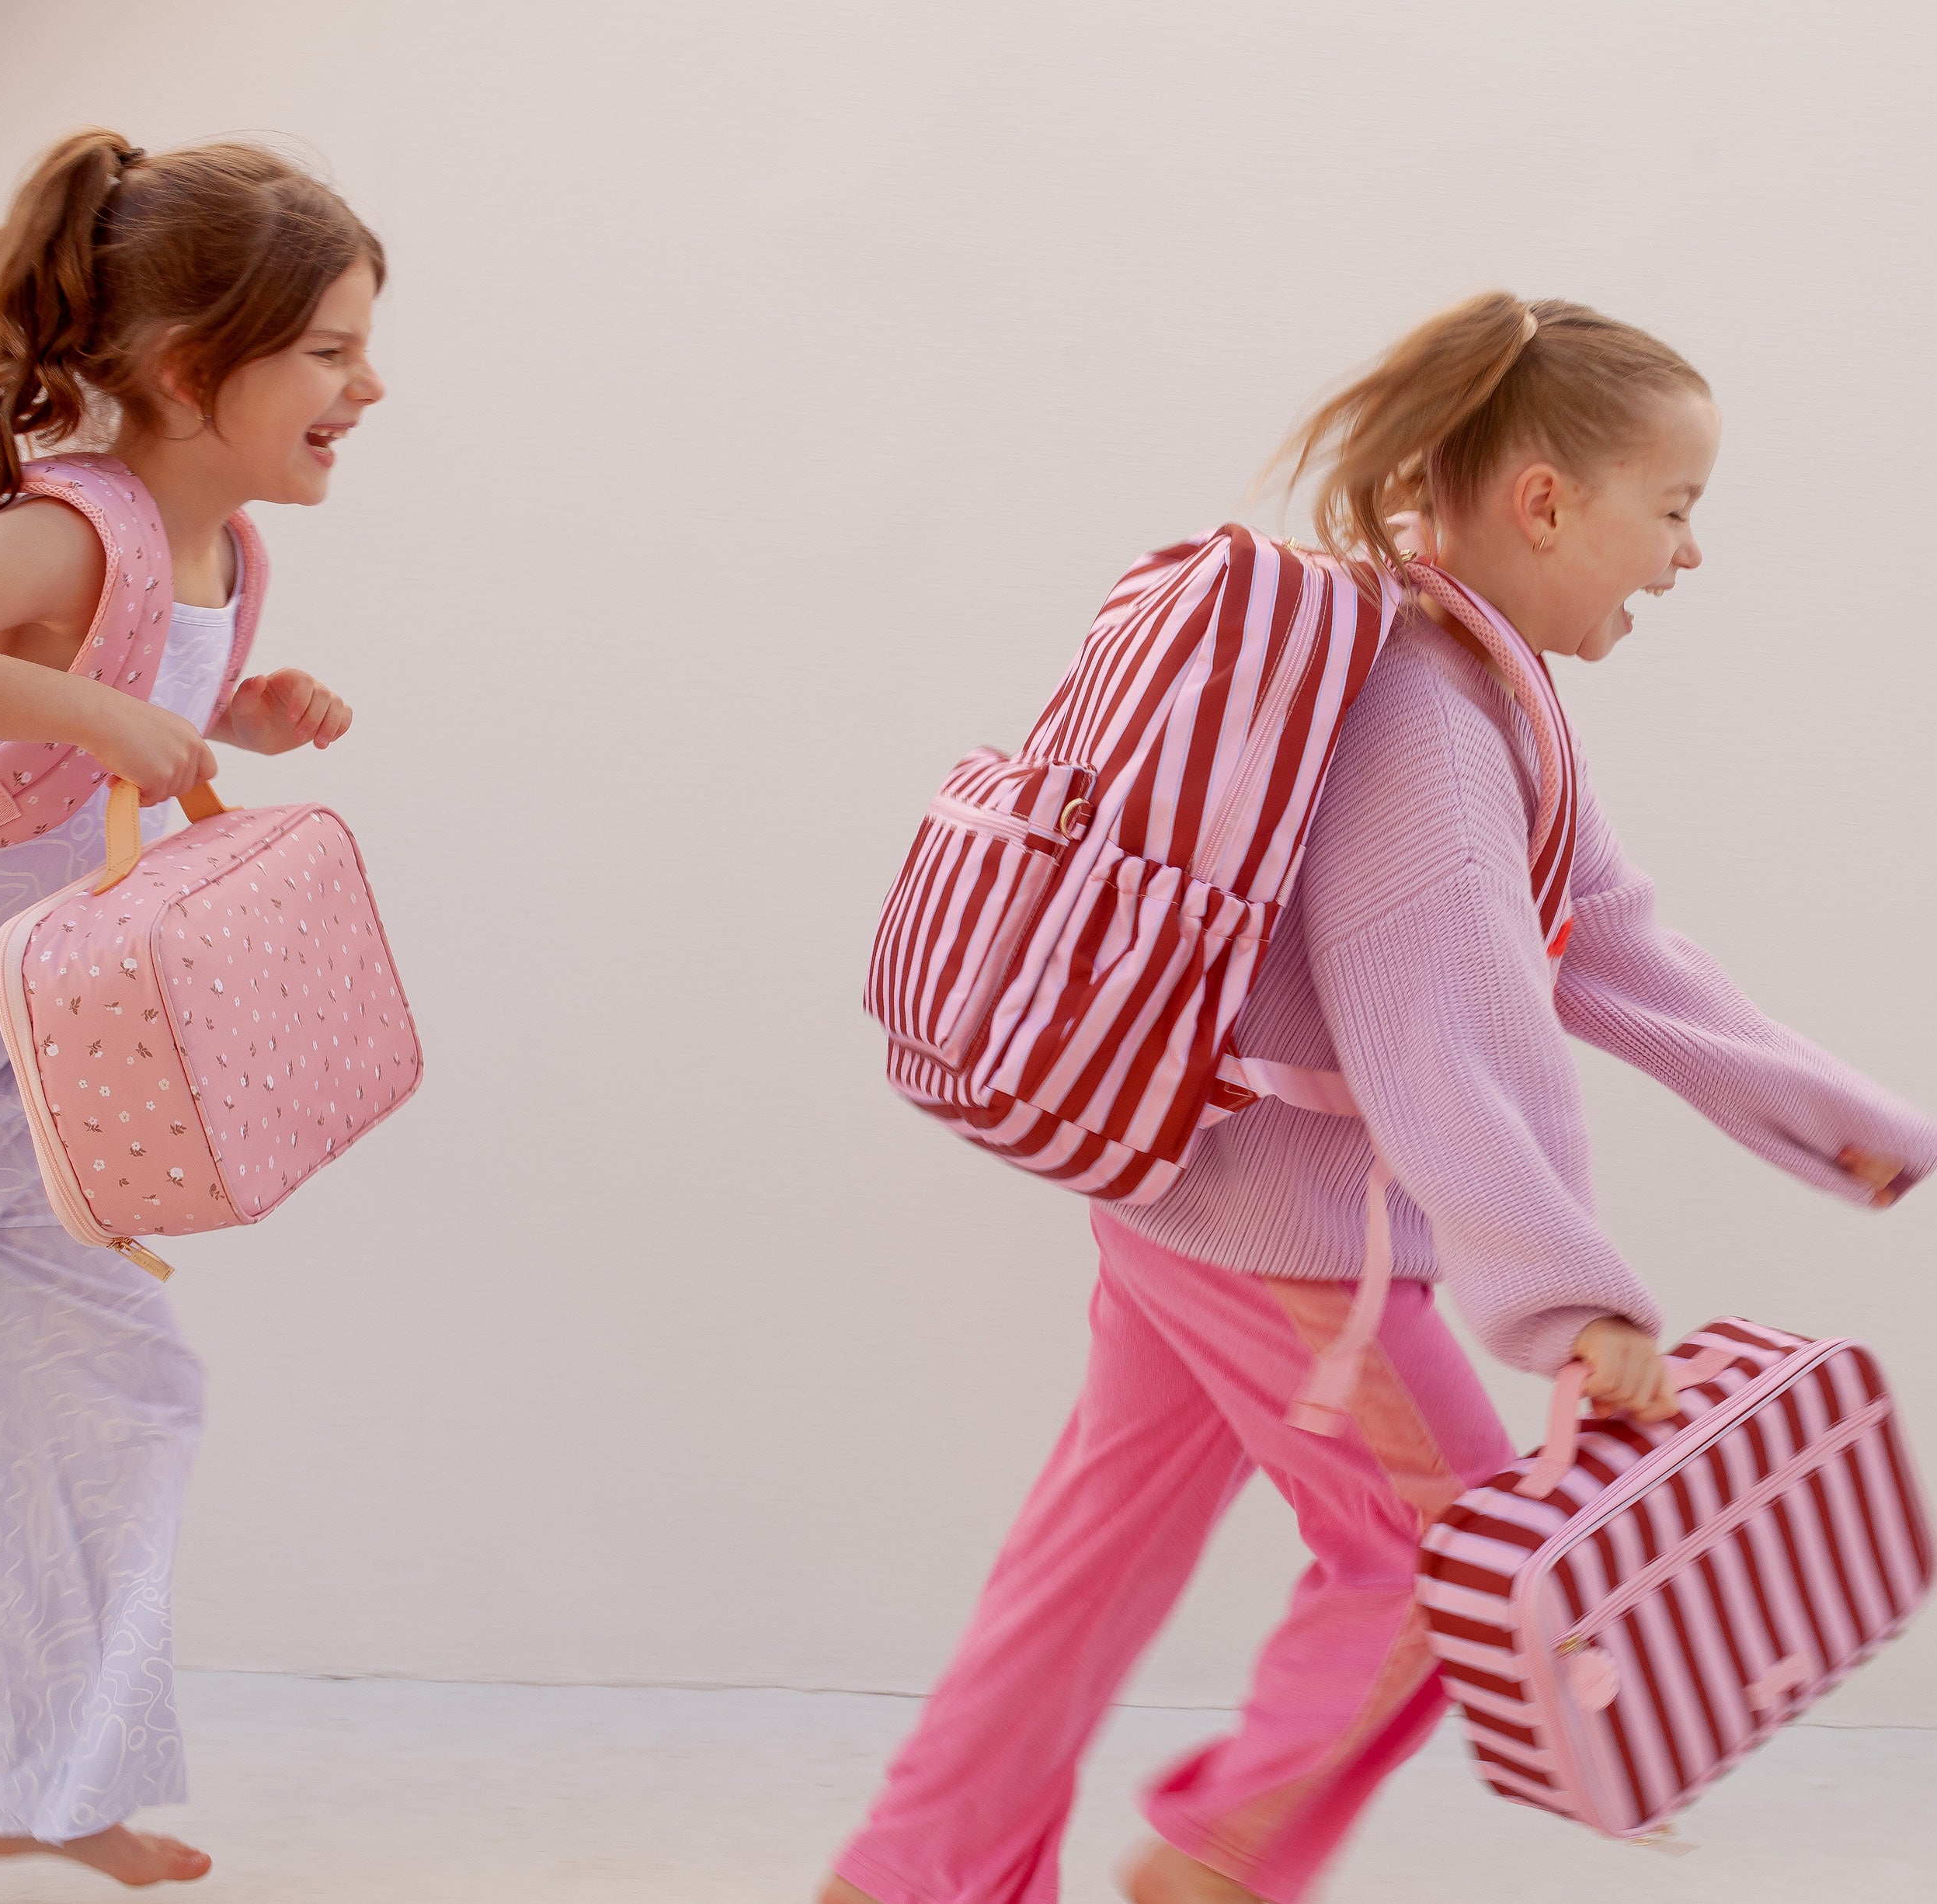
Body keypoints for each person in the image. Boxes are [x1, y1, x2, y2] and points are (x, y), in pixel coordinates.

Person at [820, 294, 1937, 1904]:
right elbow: (1447, 1027)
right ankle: (1213, 1862)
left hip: (1179, 1192)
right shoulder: (1425, 716)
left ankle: (912, 1869)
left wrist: (1876, 1138)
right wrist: (1566, 1303)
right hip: (1288, 1235)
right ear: (1545, 500)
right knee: (1446, 1560)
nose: (1684, 555)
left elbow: (1618, 954)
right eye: (1674, 509)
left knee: (1089, 1559)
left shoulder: (1463, 679)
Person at [0, 129, 381, 1887]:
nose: (365, 385)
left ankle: (48, 1780)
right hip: (19, 1024)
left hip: (42, 1054)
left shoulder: (215, 558)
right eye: (325, 349)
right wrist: (95, 721)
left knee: (96, 1391)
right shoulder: (83, 526)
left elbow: (119, 695)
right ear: (182, 368)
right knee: (113, 1387)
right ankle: (49, 1774)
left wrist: (235, 713)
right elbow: (65, 695)